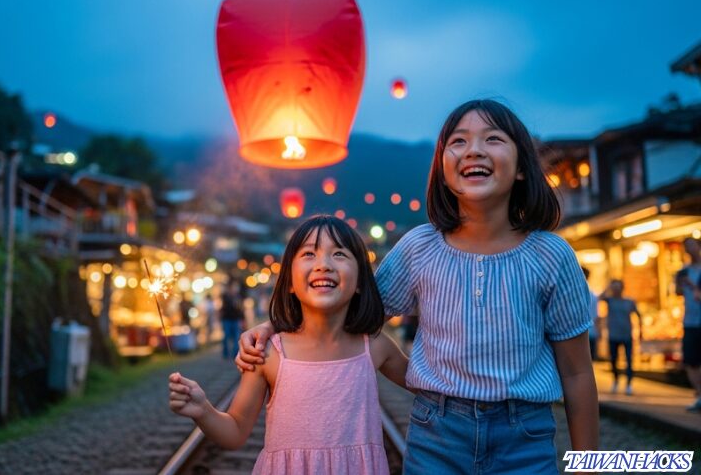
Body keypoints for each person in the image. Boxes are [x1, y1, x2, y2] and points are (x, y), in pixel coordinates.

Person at [237, 99, 599, 474]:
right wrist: (273, 327)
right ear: (442, 171)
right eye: (458, 141)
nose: (473, 150)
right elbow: (350, 310)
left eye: (493, 139)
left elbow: (576, 373)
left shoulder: (552, 256)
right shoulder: (419, 248)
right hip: (438, 433)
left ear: (522, 167)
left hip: (524, 437)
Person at [169, 215, 409, 474]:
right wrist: (203, 410)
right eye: (308, 254)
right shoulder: (270, 352)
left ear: (361, 282)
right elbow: (236, 431)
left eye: (339, 254)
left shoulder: (374, 347)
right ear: (291, 283)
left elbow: (430, 383)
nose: (323, 264)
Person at [600, 280, 641, 395]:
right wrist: (608, 287)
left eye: (618, 287)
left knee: (629, 360)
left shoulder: (629, 301)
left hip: (627, 335)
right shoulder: (610, 300)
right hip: (613, 335)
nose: (616, 290)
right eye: (614, 288)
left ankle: (628, 384)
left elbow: (638, 315)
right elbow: (600, 297)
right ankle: (615, 380)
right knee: (613, 360)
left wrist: (641, 331)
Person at [676, 237, 701, 412]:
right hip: (690, 321)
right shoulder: (682, 272)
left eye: (692, 245)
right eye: (687, 247)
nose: (690, 249)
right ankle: (699, 394)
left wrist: (693, 287)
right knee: (691, 361)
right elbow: (677, 292)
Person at [219, 282, 244, 359]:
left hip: (236, 319)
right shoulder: (225, 297)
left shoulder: (238, 297)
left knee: (237, 337)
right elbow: (223, 308)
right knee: (226, 336)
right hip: (227, 319)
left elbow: (240, 309)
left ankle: (235, 353)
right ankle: (225, 353)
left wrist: (242, 319)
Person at [582, 266, 600, 360]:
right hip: (592, 332)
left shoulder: (574, 294)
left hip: (580, 334)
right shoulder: (593, 295)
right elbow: (597, 316)